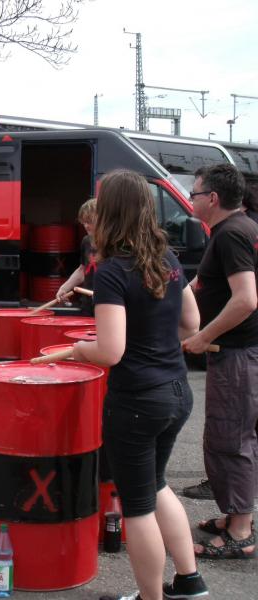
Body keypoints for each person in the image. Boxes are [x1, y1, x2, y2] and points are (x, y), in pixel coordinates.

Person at [71, 170, 207, 600]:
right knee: (157, 485)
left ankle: (151, 597)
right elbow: (191, 323)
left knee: (138, 506)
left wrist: (78, 350)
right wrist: (155, 339)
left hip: (136, 403)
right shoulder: (167, 260)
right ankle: (189, 581)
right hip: (177, 392)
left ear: (109, 212)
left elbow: (110, 351)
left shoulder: (112, 271)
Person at [181, 163, 257, 560]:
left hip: (237, 353)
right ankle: (234, 516)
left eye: (194, 193)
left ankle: (241, 531)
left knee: (232, 438)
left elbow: (246, 299)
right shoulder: (238, 229)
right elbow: (203, 284)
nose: (191, 199)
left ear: (212, 198)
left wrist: (203, 336)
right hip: (239, 351)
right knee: (230, 434)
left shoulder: (231, 234)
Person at [56, 198, 98, 315]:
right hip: (87, 304)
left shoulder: (113, 244)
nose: (86, 225)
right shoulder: (86, 241)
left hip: (106, 304)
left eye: (89, 221)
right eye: (84, 222)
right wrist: (64, 288)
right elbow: (83, 270)